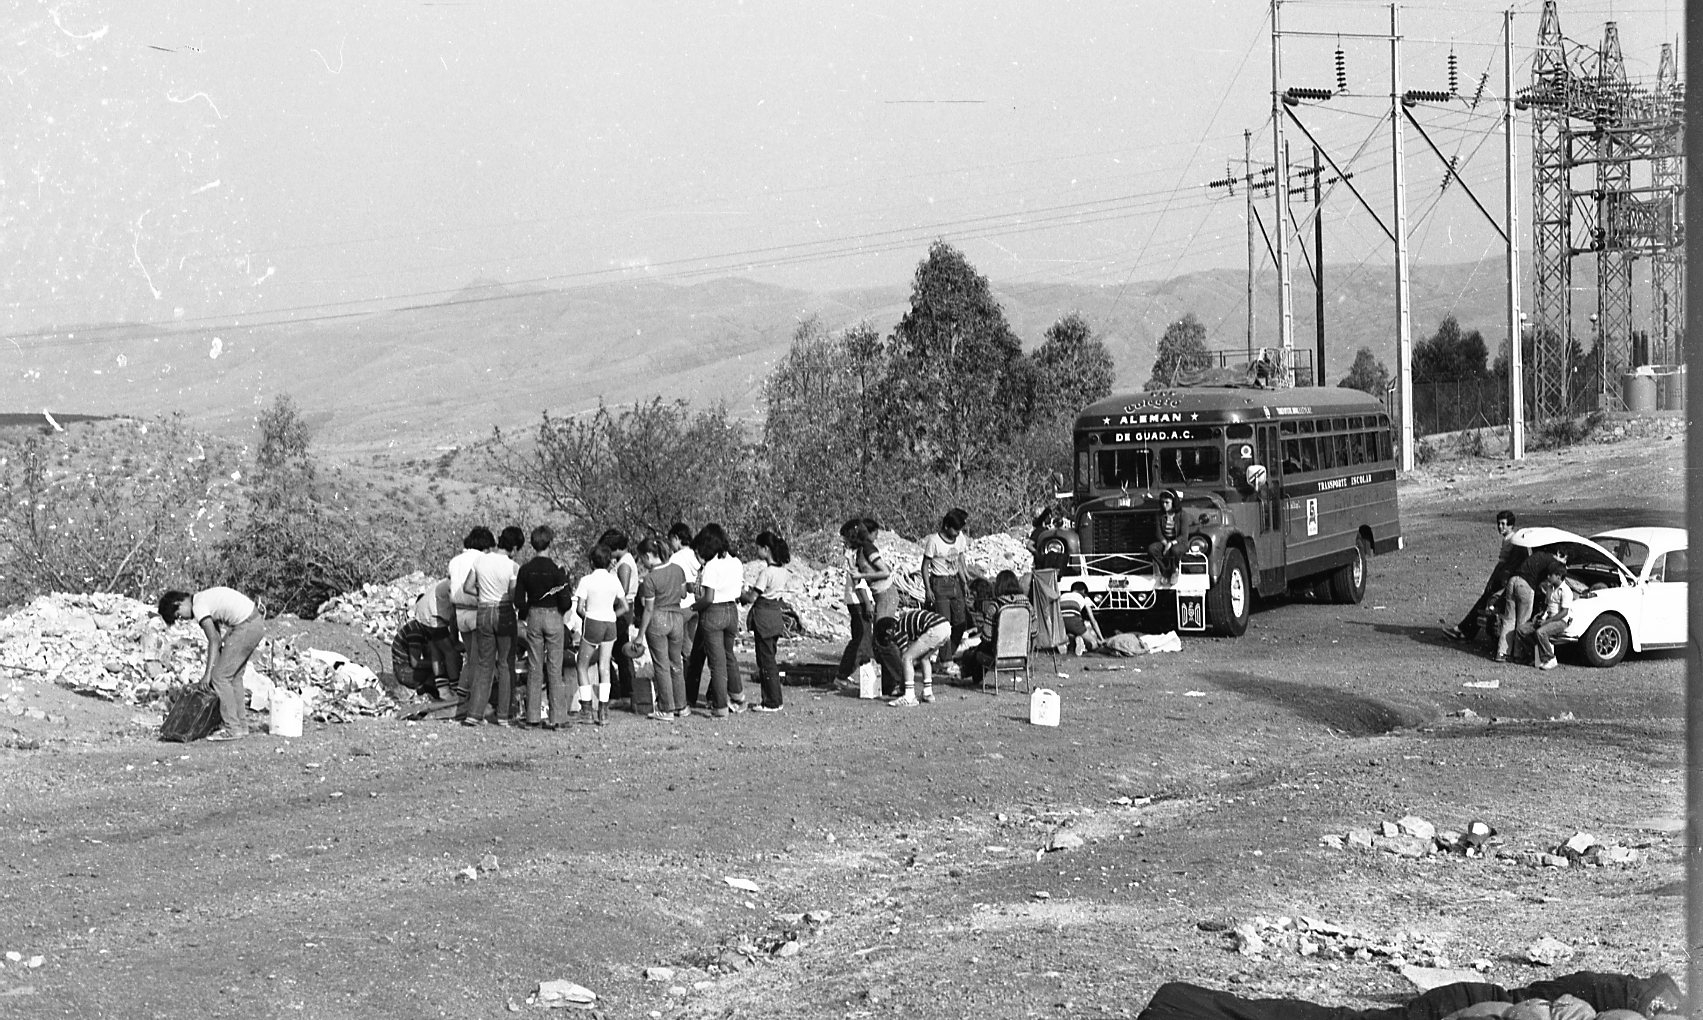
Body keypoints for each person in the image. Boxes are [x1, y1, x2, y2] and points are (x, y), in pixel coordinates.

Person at [157, 586, 266, 742]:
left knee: (220, 678)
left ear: (179, 603)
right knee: (233, 677)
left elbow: (213, 640)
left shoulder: (198, 607)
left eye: (179, 615)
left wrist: (207, 675)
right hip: (254, 623)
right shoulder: (204, 599)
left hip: (246, 626)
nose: (183, 619)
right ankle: (241, 726)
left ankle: (233, 728)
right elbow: (218, 639)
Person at [461, 525, 522, 726]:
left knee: (484, 664)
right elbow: (513, 595)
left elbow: (467, 587)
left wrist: (482, 594)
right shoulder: (513, 567)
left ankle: (474, 714)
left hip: (483, 611)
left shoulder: (480, 560)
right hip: (504, 612)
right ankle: (504, 715)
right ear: (514, 548)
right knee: (505, 664)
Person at [515, 525, 573, 729]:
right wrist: (559, 611)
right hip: (554, 616)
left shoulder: (525, 570)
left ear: (532, 544)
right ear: (550, 543)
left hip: (534, 616)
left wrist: (527, 612)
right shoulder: (557, 571)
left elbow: (518, 600)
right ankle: (558, 717)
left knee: (534, 666)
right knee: (555, 667)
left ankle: (532, 717)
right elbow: (566, 601)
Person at [845, 518, 903, 697]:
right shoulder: (860, 552)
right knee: (879, 642)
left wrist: (862, 575)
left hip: (886, 595)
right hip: (881, 596)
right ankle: (889, 684)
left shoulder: (868, 549)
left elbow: (884, 572)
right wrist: (850, 561)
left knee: (883, 640)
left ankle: (902, 681)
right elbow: (855, 575)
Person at [693, 523, 746, 717]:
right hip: (732, 610)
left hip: (714, 612)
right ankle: (738, 695)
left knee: (716, 663)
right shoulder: (736, 562)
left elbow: (708, 598)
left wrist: (693, 607)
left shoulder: (711, 566)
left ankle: (720, 706)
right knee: (728, 654)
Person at [571, 543, 627, 725]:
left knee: (582, 665)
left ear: (591, 562)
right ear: (609, 561)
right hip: (610, 624)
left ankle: (587, 710)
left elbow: (579, 608)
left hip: (593, 622)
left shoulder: (586, 580)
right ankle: (603, 712)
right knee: (605, 666)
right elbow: (625, 607)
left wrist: (586, 617)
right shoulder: (614, 580)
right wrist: (612, 615)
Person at [1442, 511, 1518, 643]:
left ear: (1511, 525)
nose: (1500, 527)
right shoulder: (1511, 538)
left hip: (1502, 579)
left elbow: (1502, 564)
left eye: (1503, 524)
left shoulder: (1510, 540)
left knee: (1483, 602)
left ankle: (1463, 631)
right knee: (1482, 603)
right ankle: (1463, 630)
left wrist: (1492, 580)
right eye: (1499, 524)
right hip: (1504, 578)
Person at [636, 536, 688, 720]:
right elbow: (683, 594)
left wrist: (640, 635)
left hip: (658, 618)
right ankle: (682, 706)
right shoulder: (678, 569)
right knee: (676, 663)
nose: (642, 563)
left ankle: (666, 708)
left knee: (661, 665)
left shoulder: (650, 579)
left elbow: (648, 609)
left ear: (648, 555)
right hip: (677, 617)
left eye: (642, 558)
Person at [743, 531, 791, 712]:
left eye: (758, 548)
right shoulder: (783, 571)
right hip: (775, 616)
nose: (757, 551)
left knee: (765, 661)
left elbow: (752, 597)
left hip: (763, 617)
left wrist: (742, 593)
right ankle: (774, 699)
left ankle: (771, 701)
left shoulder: (766, 572)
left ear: (766, 549)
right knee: (770, 658)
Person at [1495, 546, 1568, 663]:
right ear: (1559, 553)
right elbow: (1546, 583)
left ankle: (1502, 653)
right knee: (1523, 621)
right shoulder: (1553, 563)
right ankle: (1518, 654)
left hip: (1513, 580)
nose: (1564, 563)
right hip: (1526, 585)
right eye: (1565, 559)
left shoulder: (1539, 555)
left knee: (1509, 619)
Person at [920, 509, 971, 674]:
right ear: (947, 526)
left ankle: (947, 655)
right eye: (955, 530)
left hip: (955, 581)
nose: (957, 533)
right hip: (939, 583)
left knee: (960, 622)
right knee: (944, 624)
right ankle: (946, 661)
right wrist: (928, 589)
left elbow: (960, 561)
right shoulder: (934, 541)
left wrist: (965, 582)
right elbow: (925, 566)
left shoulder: (959, 539)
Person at [447, 527, 494, 702]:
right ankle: (477, 701)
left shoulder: (455, 561)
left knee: (470, 656)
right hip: (476, 611)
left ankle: (463, 695)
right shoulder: (481, 560)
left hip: (460, 612)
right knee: (478, 660)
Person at [390, 579, 454, 702]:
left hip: (406, 669)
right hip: (404, 672)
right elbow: (415, 663)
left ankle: (430, 687)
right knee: (438, 668)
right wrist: (438, 663)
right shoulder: (416, 632)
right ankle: (427, 689)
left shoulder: (422, 629)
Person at [965, 570, 1030, 687]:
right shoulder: (1027, 606)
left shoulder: (995, 606)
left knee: (974, 653)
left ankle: (971, 678)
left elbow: (987, 637)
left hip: (998, 655)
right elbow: (1034, 632)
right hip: (1021, 655)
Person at [874, 608, 951, 707]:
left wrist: (902, 686)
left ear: (889, 631)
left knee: (907, 658)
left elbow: (906, 658)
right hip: (945, 626)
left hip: (934, 628)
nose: (891, 641)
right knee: (924, 658)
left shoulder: (898, 630)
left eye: (887, 638)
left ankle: (909, 696)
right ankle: (928, 693)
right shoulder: (905, 623)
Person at [598, 528, 639, 707]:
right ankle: (626, 692)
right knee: (620, 651)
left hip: (621, 610)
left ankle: (620, 693)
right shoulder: (624, 561)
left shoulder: (624, 564)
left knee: (616, 650)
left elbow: (622, 590)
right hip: (624, 609)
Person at [1519, 560, 1573, 670]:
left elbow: (1564, 612)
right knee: (1522, 630)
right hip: (1548, 618)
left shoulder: (1565, 591)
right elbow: (1547, 606)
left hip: (1560, 621)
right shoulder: (1549, 588)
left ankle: (1550, 658)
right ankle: (1536, 656)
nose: (1548, 577)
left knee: (1541, 632)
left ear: (1558, 576)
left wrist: (1546, 622)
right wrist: (1540, 616)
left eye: (1550, 575)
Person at [1147, 489, 1185, 584]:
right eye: (1162, 502)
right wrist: (1166, 543)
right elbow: (1158, 533)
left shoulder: (1183, 514)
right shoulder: (1159, 515)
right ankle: (1165, 571)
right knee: (1152, 549)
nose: (1164, 505)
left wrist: (1171, 544)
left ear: (1174, 502)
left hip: (1179, 542)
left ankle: (1174, 571)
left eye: (1167, 502)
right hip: (1165, 541)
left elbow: (1184, 535)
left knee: (1175, 550)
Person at [1059, 586, 1106, 656]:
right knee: (1094, 643)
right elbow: (1093, 620)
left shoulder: (1063, 596)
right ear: (1084, 590)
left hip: (1060, 621)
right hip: (1073, 620)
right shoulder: (1084, 597)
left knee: (1071, 635)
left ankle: (1070, 646)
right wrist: (1101, 638)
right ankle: (1085, 647)